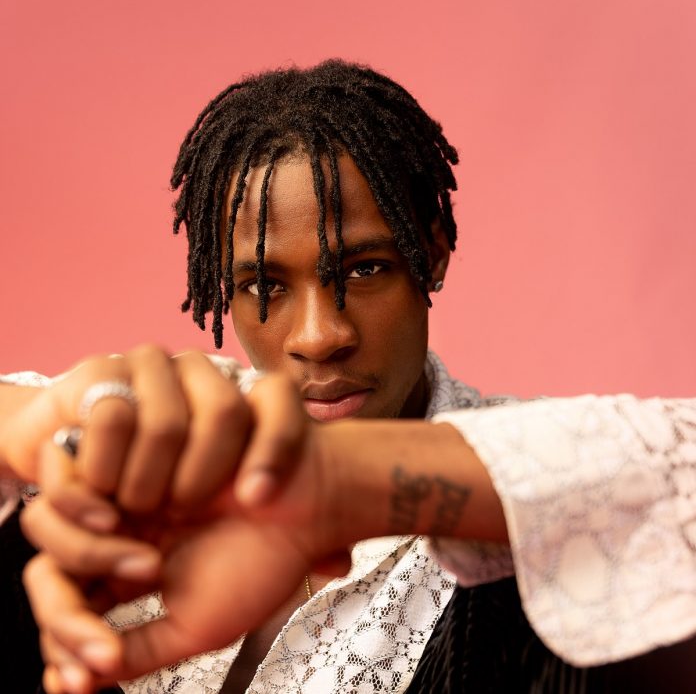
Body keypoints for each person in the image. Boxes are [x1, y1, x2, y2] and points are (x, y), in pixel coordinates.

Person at [0, 60, 694, 694]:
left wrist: (338, 482)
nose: (319, 336)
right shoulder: (175, 434)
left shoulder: (541, 479)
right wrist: (40, 423)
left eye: (364, 269)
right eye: (264, 285)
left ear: (432, 253)